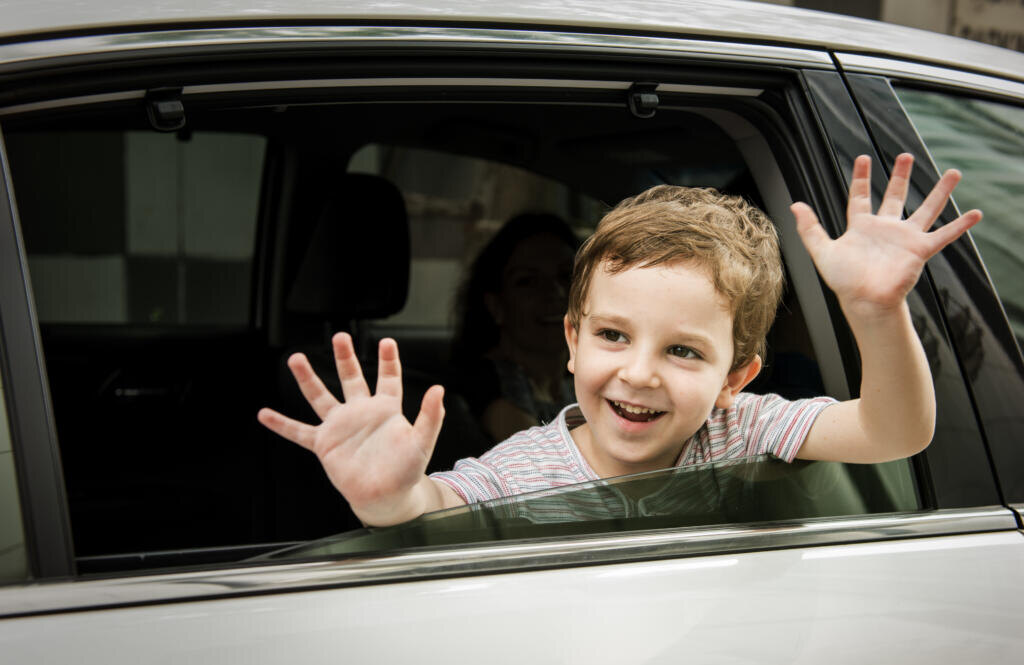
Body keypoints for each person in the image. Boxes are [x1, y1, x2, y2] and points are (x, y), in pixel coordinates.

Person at [258, 154, 982, 528]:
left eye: (684, 350)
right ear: (571, 340)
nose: (638, 373)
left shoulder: (746, 425)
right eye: (612, 334)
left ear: (737, 375)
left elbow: (894, 431)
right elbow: (437, 507)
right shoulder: (526, 466)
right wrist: (390, 497)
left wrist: (877, 312)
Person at [451, 213, 579, 441]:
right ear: (496, 305)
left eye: (566, 276)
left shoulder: (575, 382)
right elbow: (537, 465)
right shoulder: (486, 384)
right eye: (528, 281)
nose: (555, 293)